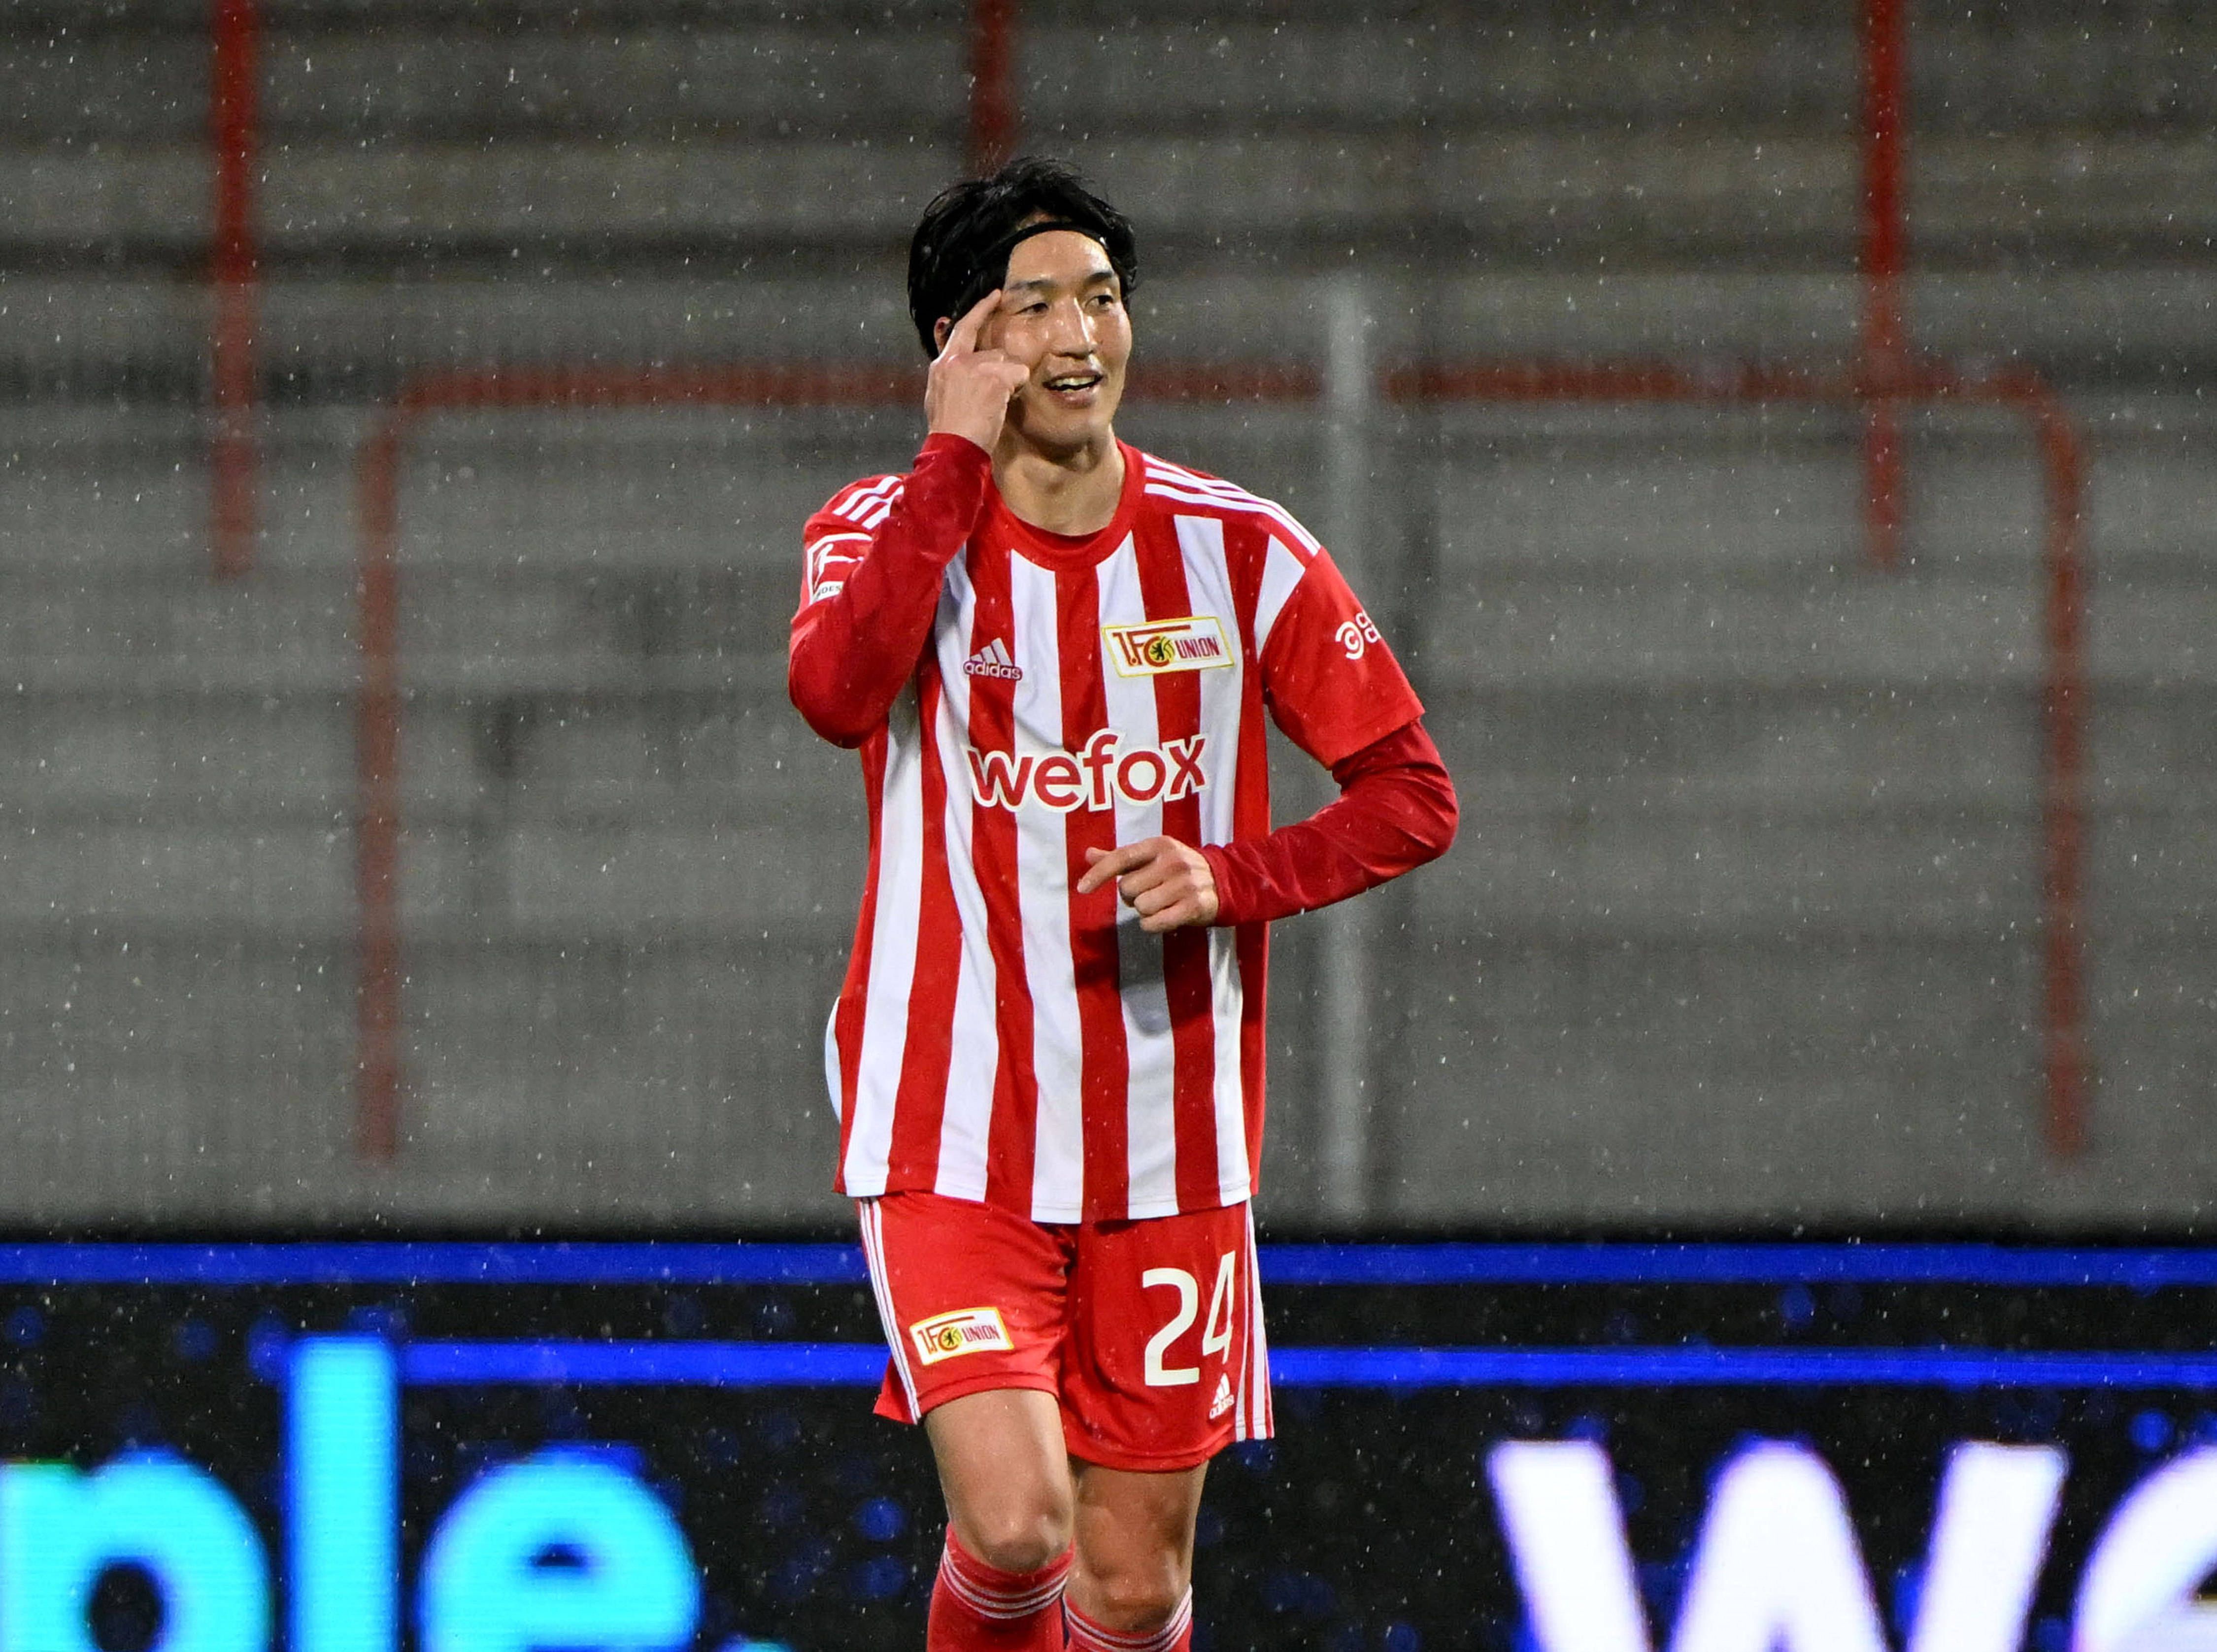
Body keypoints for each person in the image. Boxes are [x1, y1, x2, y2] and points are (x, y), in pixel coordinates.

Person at [787, 157, 1457, 1652]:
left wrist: (1233, 875)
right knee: (1014, 1528)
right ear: (959, 347)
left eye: (1100, 297)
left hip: (1172, 1138)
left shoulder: (1243, 550)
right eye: (1033, 308)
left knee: (1135, 1580)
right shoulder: (880, 526)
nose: (1080, 334)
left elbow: (1412, 795)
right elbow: (836, 693)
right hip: (949, 1122)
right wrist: (949, 463)